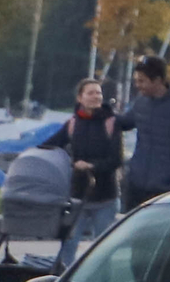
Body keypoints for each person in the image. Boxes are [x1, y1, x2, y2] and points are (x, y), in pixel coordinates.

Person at [41, 78, 121, 269]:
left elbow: (116, 160)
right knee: (68, 244)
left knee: (104, 247)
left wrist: (91, 167)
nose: (96, 97)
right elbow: (52, 144)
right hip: (78, 196)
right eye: (90, 93)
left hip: (105, 197)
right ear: (80, 98)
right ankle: (65, 280)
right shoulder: (73, 124)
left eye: (98, 93)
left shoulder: (111, 123)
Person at [118, 55, 170, 210]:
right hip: (135, 184)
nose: (137, 85)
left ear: (157, 80)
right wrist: (101, 113)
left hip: (162, 190)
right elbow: (124, 123)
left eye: (141, 81)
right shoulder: (141, 102)